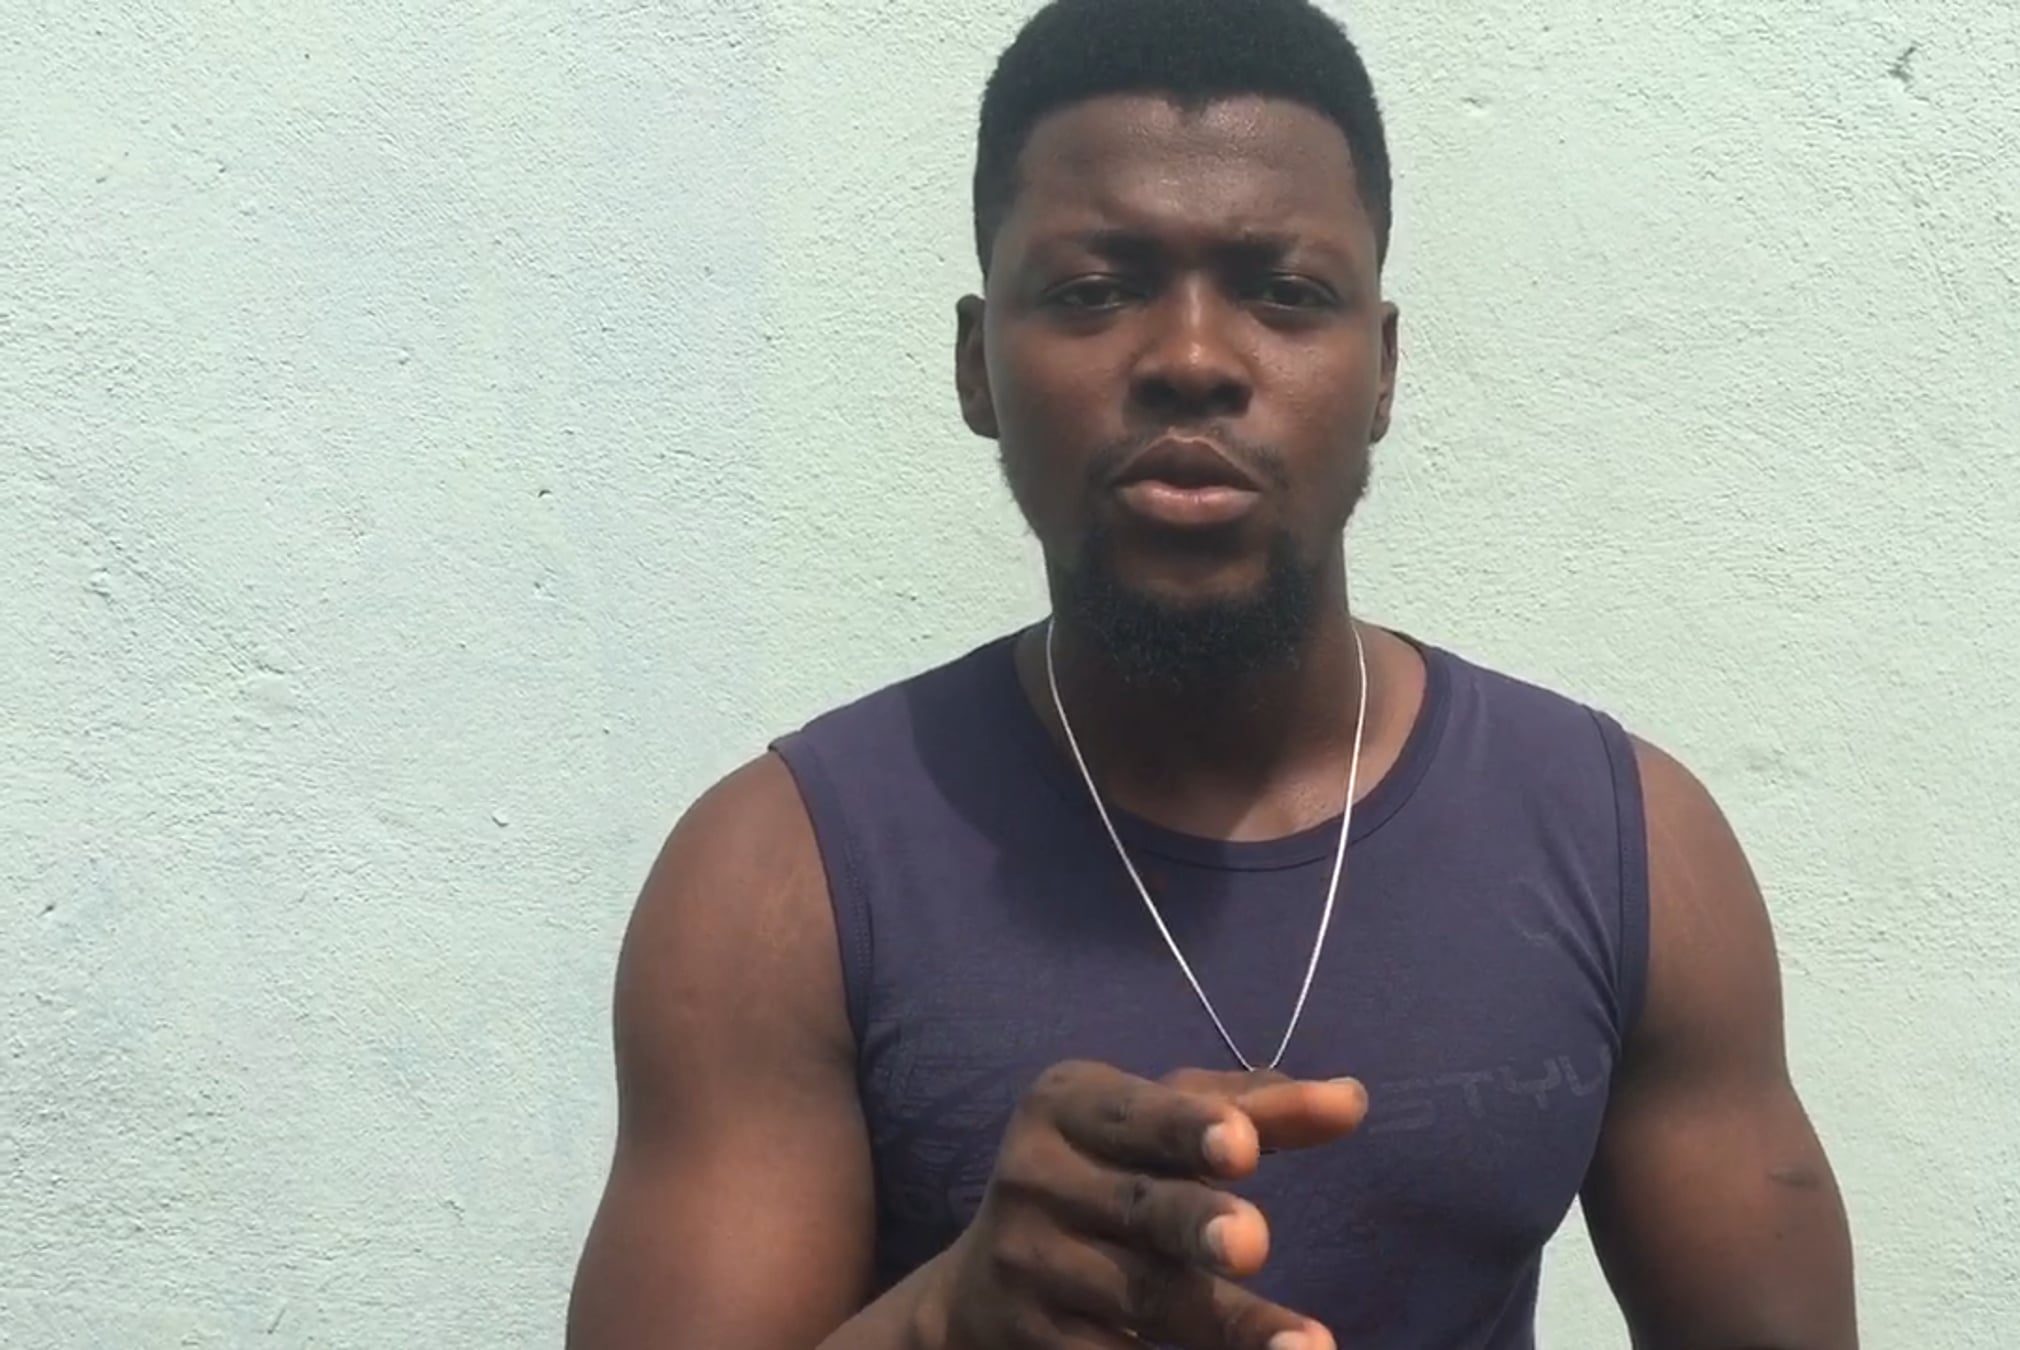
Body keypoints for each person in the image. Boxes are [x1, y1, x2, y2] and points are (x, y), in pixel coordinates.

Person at [565, 0, 1856, 1345]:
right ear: (976, 365)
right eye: (1094, 290)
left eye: (1284, 291)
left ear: (1382, 371)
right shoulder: (778, 879)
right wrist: (940, 1325)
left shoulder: (1622, 843)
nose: (1190, 358)